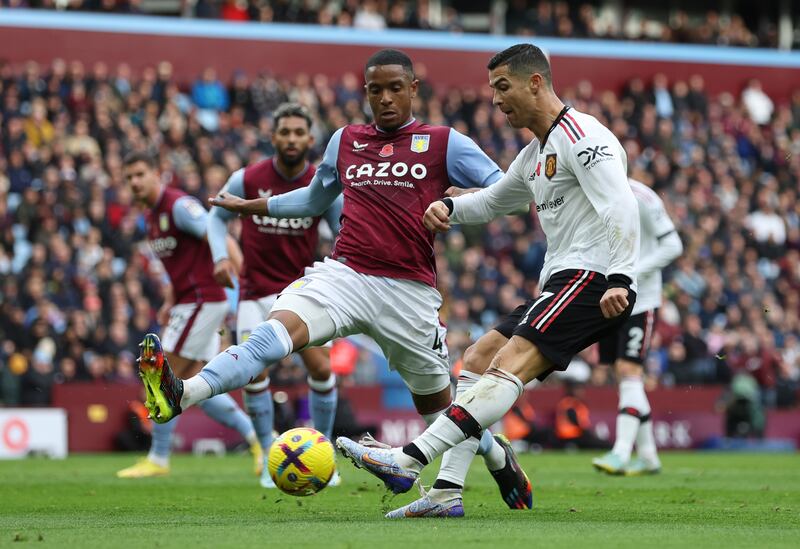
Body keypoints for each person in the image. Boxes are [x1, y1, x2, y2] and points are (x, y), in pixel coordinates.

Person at [134, 49, 530, 514]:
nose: (385, 98)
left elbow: (510, 193)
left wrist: (459, 201)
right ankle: (182, 392)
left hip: (409, 293)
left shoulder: (444, 142)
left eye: (395, 88)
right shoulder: (344, 140)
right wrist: (249, 208)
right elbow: (312, 199)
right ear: (365, 93)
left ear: (413, 89)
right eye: (375, 90)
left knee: (441, 416)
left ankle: (492, 455)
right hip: (343, 274)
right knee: (269, 336)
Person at [335, 43, 641, 517]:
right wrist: (450, 208)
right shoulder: (535, 152)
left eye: (503, 87)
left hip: (595, 278)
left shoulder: (583, 135)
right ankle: (446, 493)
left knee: (509, 362)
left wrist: (621, 277)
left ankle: (407, 459)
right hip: (563, 281)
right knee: (478, 356)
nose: (496, 100)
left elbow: (621, 202)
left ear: (535, 82)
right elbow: (499, 200)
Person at [207, 102, 343, 488]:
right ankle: (269, 453)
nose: (292, 139)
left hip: (302, 292)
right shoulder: (247, 179)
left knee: (321, 369)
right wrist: (220, 256)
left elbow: (343, 232)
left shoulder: (323, 184)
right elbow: (216, 217)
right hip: (254, 292)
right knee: (254, 372)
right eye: (285, 132)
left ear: (310, 139)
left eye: (299, 132)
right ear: (273, 137)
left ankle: (323, 452)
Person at [117, 152, 260, 479]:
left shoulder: (178, 206)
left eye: (140, 173)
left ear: (157, 173)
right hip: (187, 301)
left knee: (159, 380)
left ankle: (159, 458)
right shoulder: (151, 216)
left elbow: (217, 232)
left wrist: (242, 280)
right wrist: (169, 298)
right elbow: (179, 264)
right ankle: (259, 442)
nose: (135, 182)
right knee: (198, 388)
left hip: (202, 301)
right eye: (129, 178)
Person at [592, 178, 682, 475]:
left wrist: (630, 274)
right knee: (622, 373)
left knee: (630, 370)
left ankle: (620, 452)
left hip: (641, 299)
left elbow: (673, 245)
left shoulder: (642, 196)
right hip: (606, 297)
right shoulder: (588, 189)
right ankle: (647, 455)